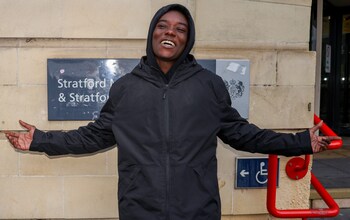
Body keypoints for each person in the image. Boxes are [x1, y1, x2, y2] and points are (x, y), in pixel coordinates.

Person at [4, 4, 341, 220]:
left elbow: (244, 134)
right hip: (140, 210)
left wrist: (300, 142)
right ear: (153, 33)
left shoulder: (209, 86)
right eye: (163, 26)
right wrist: (40, 140)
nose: (170, 32)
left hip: (198, 210)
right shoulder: (125, 89)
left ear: (187, 39)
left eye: (180, 28)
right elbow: (91, 136)